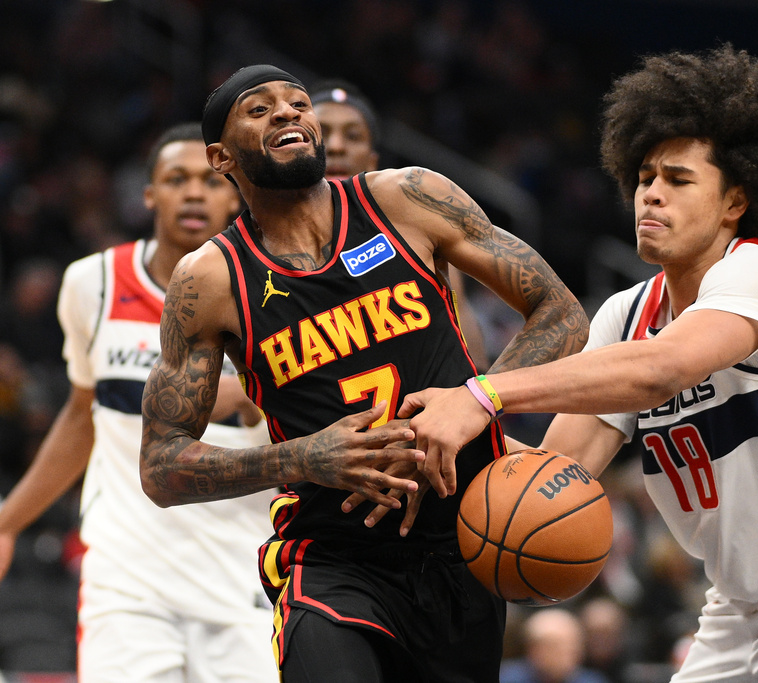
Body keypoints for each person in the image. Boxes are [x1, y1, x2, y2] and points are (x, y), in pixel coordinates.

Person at [399, 45, 758, 682]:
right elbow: (555, 472)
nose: (652, 194)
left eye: (678, 180)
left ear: (734, 203)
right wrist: (428, 433)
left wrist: (482, 393)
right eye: (646, 176)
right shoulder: (625, 315)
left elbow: (662, 369)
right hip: (735, 614)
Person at [138, 64, 587, 682]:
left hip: (467, 544)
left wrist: (478, 401)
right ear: (221, 157)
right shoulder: (209, 280)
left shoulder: (406, 198)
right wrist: (303, 457)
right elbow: (162, 466)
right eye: (260, 109)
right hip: (333, 562)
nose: (288, 112)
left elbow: (560, 312)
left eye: (297, 103)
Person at [0, 123, 278, 681]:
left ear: (234, 194)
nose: (194, 192)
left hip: (242, 576)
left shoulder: (273, 289)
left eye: (210, 180)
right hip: (126, 581)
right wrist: (7, 522)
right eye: (176, 179)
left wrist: (241, 392)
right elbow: (83, 416)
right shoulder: (93, 283)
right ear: (149, 194)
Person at [308, 77, 489, 368]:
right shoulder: (257, 246)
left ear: (372, 162)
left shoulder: (420, 235)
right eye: (321, 133)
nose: (337, 147)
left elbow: (474, 364)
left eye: (353, 136)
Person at [500, 608, 610, 683]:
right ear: (535, 650)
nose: (571, 653)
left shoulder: (593, 680)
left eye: (575, 645)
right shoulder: (506, 678)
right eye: (558, 646)